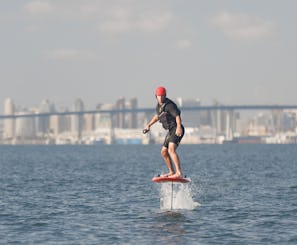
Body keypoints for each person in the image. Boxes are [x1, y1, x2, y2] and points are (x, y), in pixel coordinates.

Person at [143, 86, 185, 178]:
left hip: (176, 129)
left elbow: (177, 116)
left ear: (165, 95)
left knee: (171, 149)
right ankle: (171, 172)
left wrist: (178, 127)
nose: (160, 98)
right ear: (156, 96)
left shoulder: (170, 105)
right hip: (170, 131)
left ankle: (179, 173)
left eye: (162, 96)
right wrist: (149, 125)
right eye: (159, 96)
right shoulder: (158, 106)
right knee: (164, 152)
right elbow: (157, 117)